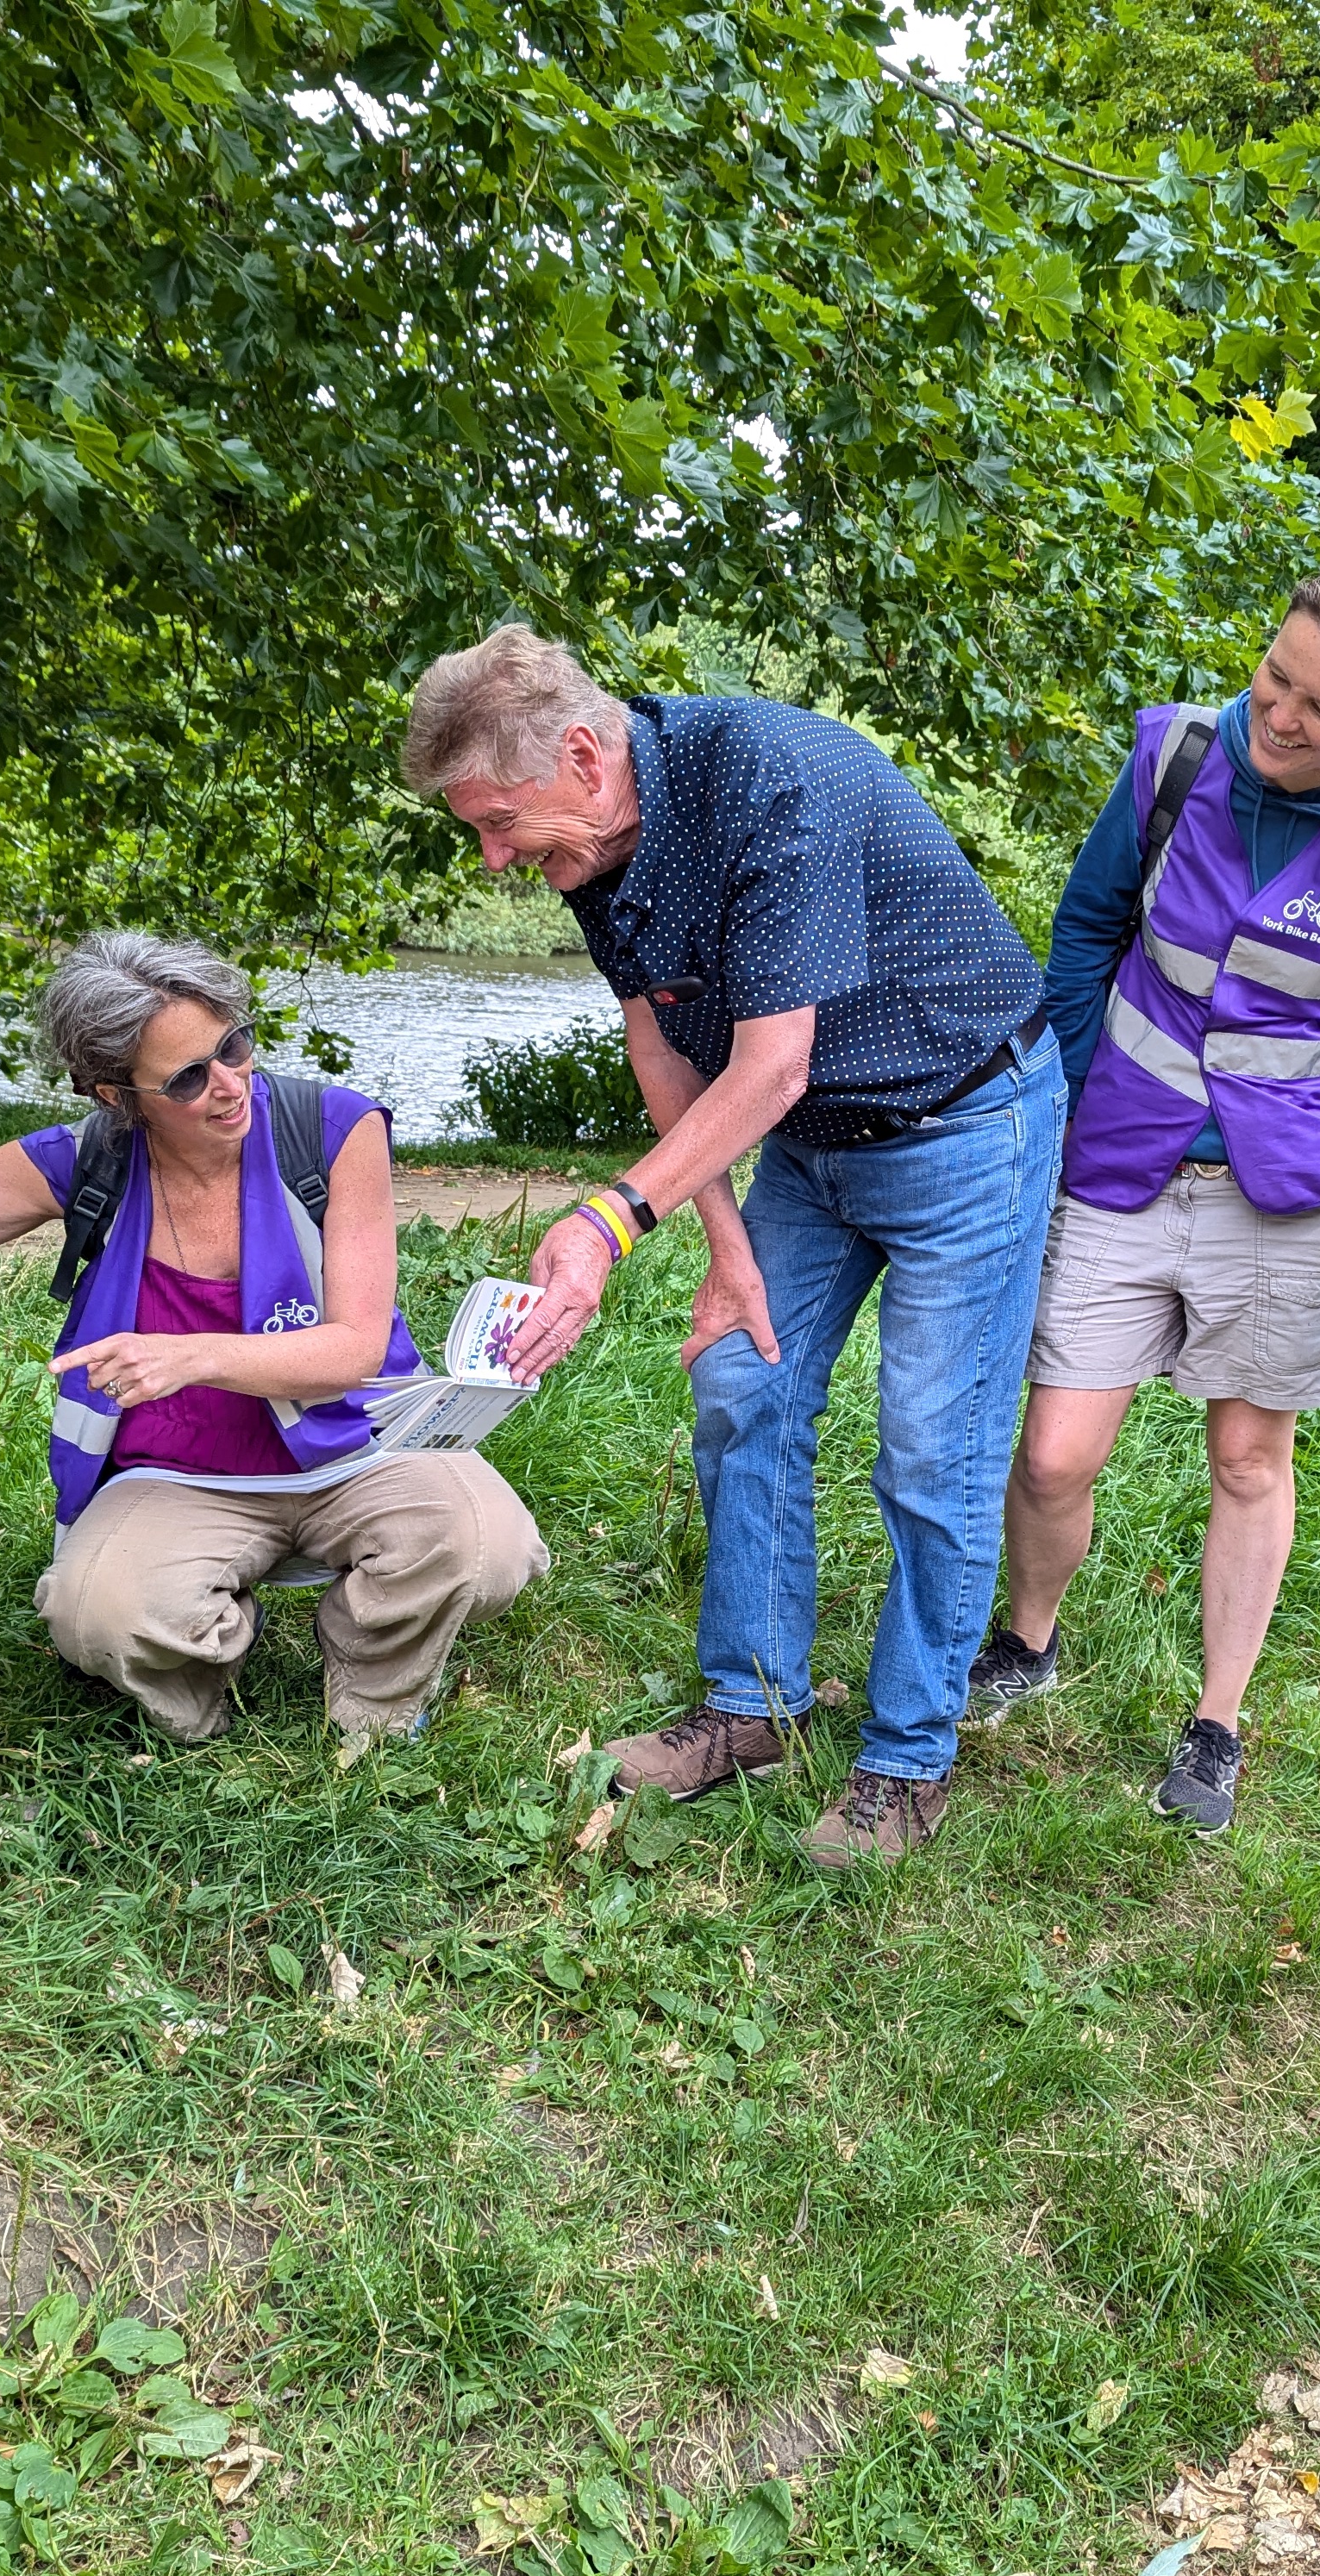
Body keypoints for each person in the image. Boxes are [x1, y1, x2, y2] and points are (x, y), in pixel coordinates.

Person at [402, 628, 1062, 1869]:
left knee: (933, 1442)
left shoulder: (769, 781)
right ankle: (752, 1705)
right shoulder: (592, 851)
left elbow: (771, 1060)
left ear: (584, 756)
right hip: (808, 1144)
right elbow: (665, 1050)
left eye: (497, 823)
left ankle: (908, 1762)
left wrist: (607, 1222)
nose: (492, 857)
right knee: (740, 1378)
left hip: (965, 1121)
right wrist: (723, 1244)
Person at [0, 935, 546, 1748]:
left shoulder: (332, 1130)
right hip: (180, 1474)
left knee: (484, 1545)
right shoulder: (87, 1159)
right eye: (188, 1078)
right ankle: (204, 1677)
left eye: (234, 1047)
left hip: (358, 1447)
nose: (230, 1085)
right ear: (117, 1095)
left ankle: (375, 1697)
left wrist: (189, 1354)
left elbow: (353, 1347)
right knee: (96, 1618)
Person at [967, 558, 1320, 1832]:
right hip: (1123, 1161)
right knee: (1053, 1453)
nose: (1281, 713)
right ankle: (1026, 1645)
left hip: (1295, 1193)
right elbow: (1087, 930)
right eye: (1275, 674)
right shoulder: (1176, 762)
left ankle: (1217, 1723)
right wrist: (1083, 1088)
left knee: (1250, 1462)